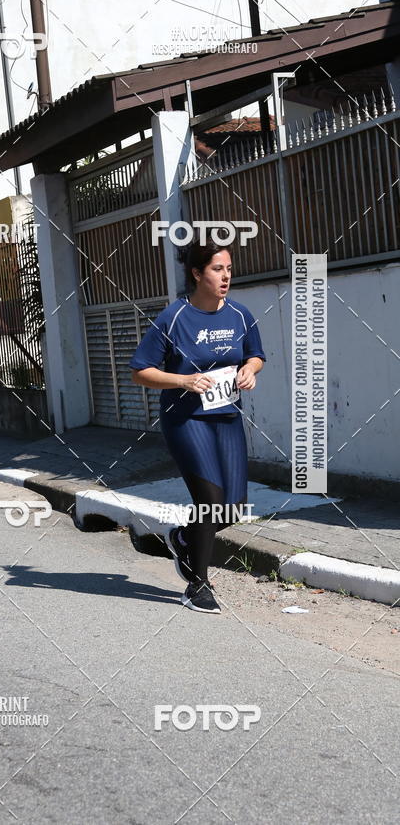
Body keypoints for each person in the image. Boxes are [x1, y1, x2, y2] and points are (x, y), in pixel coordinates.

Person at [129, 239, 265, 614]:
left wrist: (249, 370)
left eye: (229, 269)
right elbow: (140, 371)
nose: (226, 277)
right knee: (210, 501)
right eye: (218, 269)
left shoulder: (239, 315)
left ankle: (184, 537)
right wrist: (182, 380)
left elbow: (256, 355)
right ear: (197, 273)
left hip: (226, 417)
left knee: (233, 507)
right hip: (186, 420)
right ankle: (197, 585)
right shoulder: (174, 318)